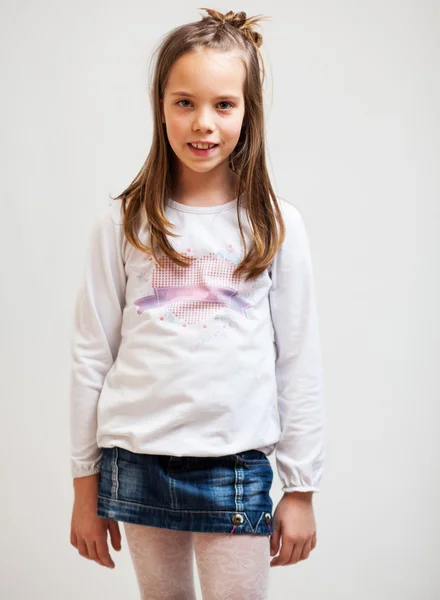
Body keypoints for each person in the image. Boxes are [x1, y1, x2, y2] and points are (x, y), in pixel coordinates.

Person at [69, 8, 325, 599]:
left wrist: (300, 488)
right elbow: (91, 357)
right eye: (184, 102)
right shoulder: (123, 223)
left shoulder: (275, 225)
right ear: (160, 106)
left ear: (248, 111)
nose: (202, 123)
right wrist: (86, 489)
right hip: (135, 460)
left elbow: (299, 361)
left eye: (223, 105)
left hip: (234, 468)